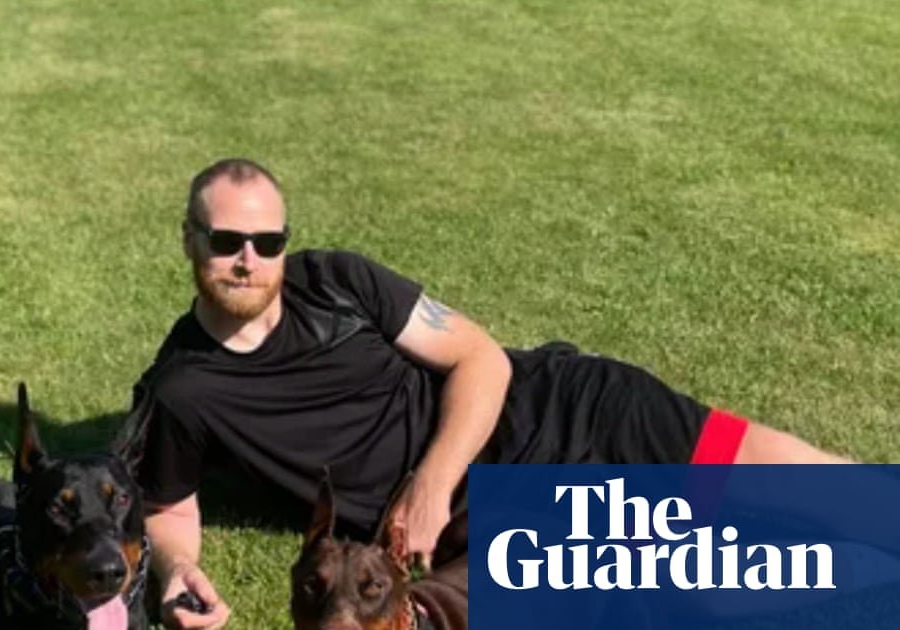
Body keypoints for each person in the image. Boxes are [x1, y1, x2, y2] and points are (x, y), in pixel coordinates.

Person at [112, 157, 852, 630]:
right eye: (226, 242)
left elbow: (481, 358)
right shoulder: (185, 388)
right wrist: (176, 572)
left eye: (268, 242)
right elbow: (169, 507)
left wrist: (430, 484)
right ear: (189, 239)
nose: (249, 260)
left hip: (560, 407)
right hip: (496, 521)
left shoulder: (336, 281)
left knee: (806, 486)